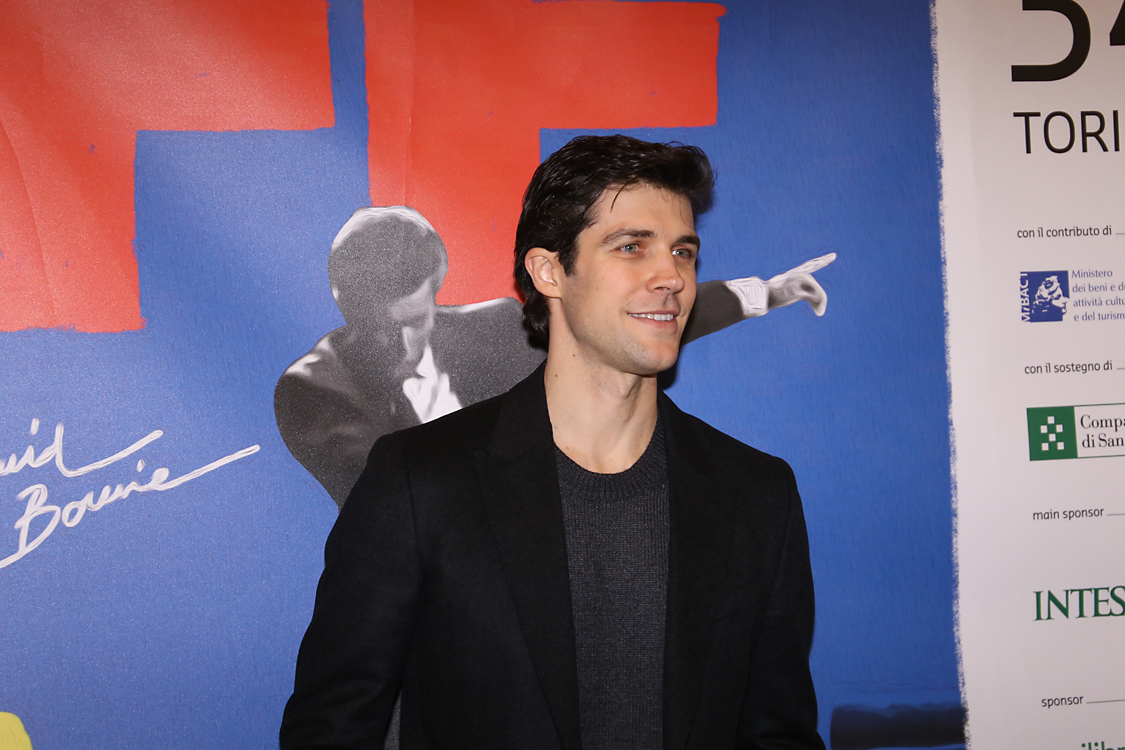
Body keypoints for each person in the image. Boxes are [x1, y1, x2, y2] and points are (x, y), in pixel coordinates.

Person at [280, 134, 826, 749]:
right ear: (549, 271)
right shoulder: (416, 481)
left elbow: (779, 734)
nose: (671, 276)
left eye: (683, 251)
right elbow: (331, 729)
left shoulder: (756, 493)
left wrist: (771, 291)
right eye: (631, 247)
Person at [274, 206, 834, 508]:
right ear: (344, 306)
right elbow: (384, 501)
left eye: (417, 321)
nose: (402, 346)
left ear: (436, 292)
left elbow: (614, 331)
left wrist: (769, 292)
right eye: (382, 327)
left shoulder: (491, 327)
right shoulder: (314, 391)